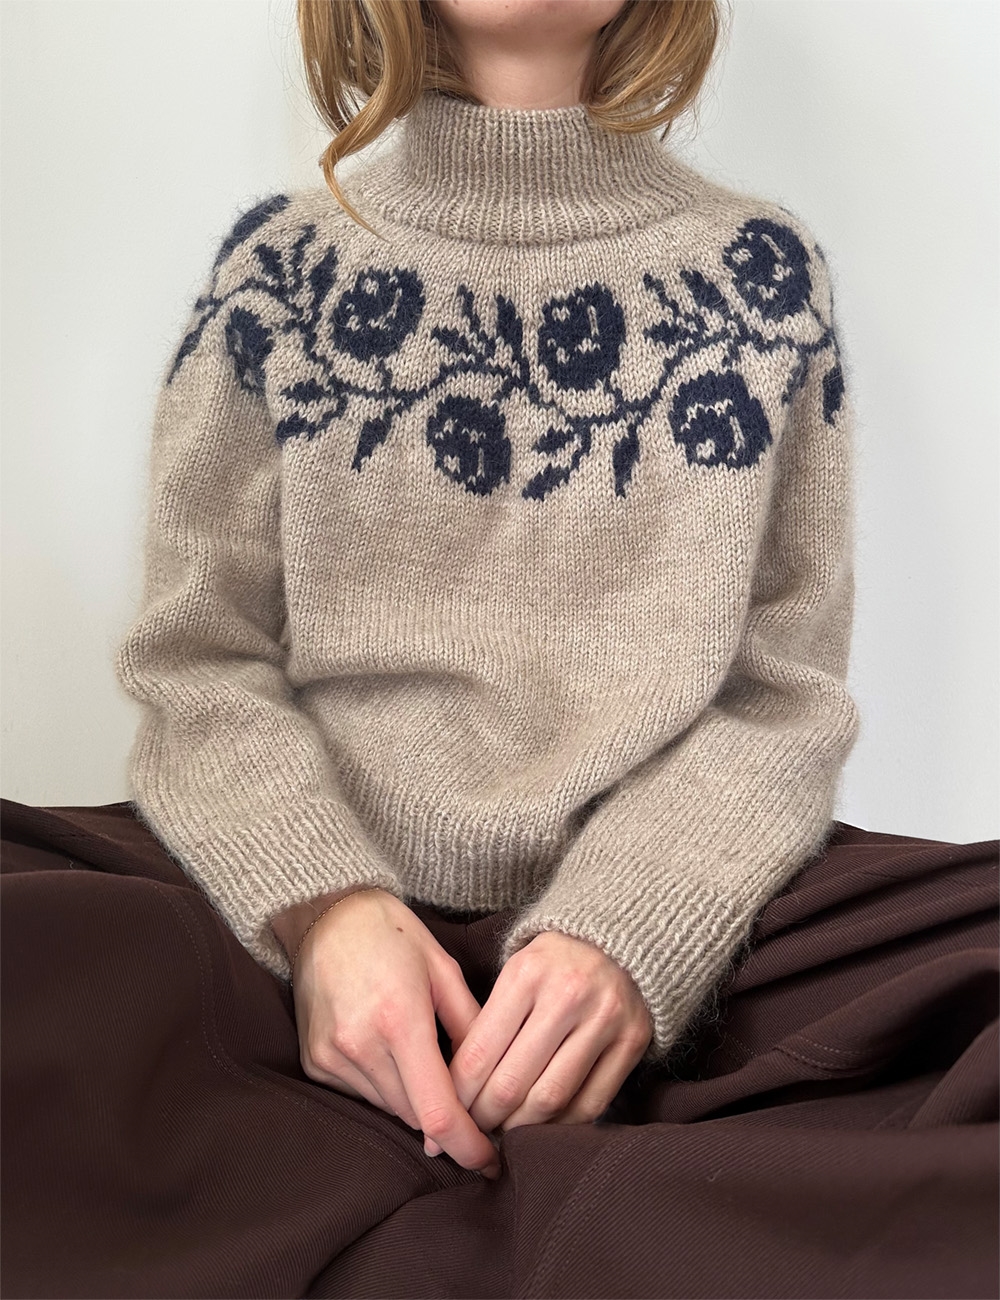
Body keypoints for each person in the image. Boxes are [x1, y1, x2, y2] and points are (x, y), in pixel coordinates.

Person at [2, 2, 996, 1297]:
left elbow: (783, 695)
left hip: (688, 918)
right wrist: (324, 911)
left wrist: (632, 932)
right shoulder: (283, 271)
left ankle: (492, 1206)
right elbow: (198, 659)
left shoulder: (761, 274)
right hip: (295, 937)